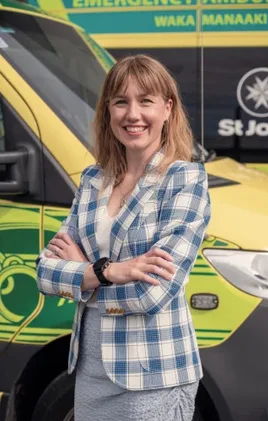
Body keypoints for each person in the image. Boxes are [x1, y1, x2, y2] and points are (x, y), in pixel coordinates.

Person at [36, 54, 211, 421]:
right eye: (121, 101)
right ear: (108, 111)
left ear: (167, 108)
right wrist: (109, 271)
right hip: (89, 369)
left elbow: (153, 291)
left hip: (153, 372)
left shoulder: (185, 180)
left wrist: (81, 271)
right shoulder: (92, 180)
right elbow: (44, 273)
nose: (133, 114)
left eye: (145, 101)